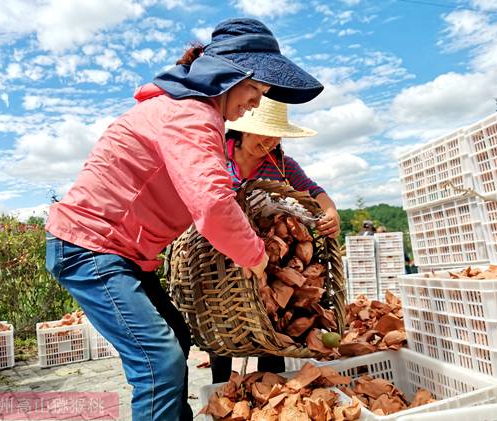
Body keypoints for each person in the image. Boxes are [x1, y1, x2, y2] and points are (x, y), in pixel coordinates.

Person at [44, 18, 323, 421]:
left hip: (121, 253)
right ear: (231, 75)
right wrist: (257, 258)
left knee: (176, 338)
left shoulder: (186, 108)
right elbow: (211, 205)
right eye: (255, 90)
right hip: (91, 249)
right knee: (159, 361)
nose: (256, 104)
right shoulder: (192, 114)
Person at [208, 96, 340, 383]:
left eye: (274, 135)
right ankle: (220, 388)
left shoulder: (282, 165)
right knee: (224, 328)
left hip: (268, 257)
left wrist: (330, 211)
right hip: (221, 257)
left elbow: (313, 191)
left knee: (272, 322)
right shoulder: (216, 154)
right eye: (262, 133)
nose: (268, 142)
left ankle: (270, 389)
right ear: (242, 129)